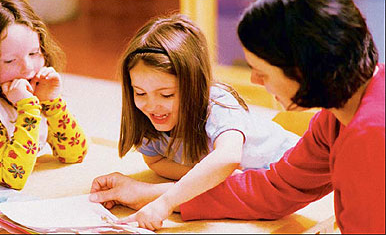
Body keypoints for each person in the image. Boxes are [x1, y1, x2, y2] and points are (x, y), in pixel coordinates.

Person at [89, 0, 385, 233]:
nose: (255, 81)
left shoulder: (370, 134)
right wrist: (150, 195)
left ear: (305, 68)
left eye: (262, 71)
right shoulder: (334, 117)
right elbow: (271, 189)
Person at [101, 13, 299, 230]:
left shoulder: (216, 102)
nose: (151, 105)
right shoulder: (147, 119)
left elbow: (228, 157)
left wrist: (166, 201)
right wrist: (209, 177)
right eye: (140, 93)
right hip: (245, 189)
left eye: (166, 95)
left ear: (195, 87)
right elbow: (155, 162)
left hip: (290, 168)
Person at [0, 0, 89, 190]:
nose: (27, 68)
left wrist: (52, 102)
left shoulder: (31, 90)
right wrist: (27, 109)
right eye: (10, 61)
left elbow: (74, 153)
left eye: (34, 53)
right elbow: (13, 177)